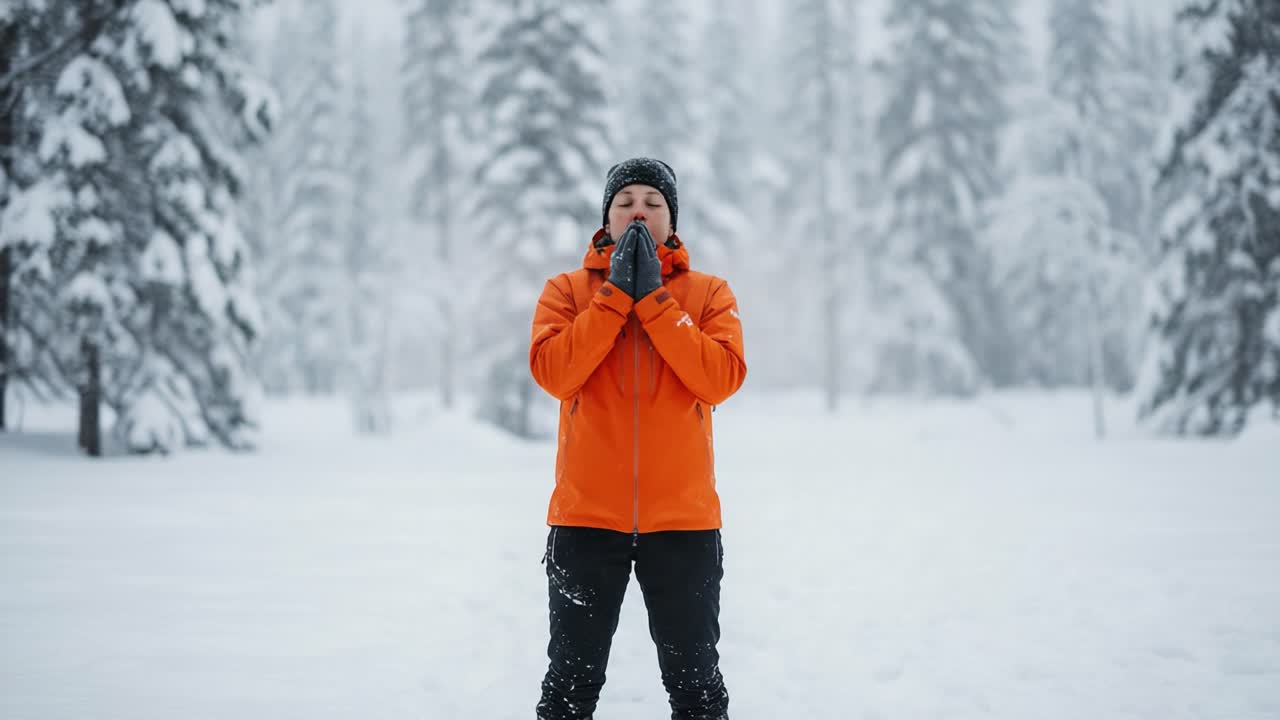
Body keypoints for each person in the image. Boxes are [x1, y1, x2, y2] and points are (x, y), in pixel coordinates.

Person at [528, 157, 747, 720]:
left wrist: (654, 300)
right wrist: (613, 300)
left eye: (653, 203)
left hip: (684, 524)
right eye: (625, 203)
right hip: (584, 521)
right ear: (607, 217)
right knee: (569, 687)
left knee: (695, 685)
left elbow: (719, 378)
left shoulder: (708, 293)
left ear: (671, 220)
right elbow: (555, 374)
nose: (638, 213)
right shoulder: (567, 291)